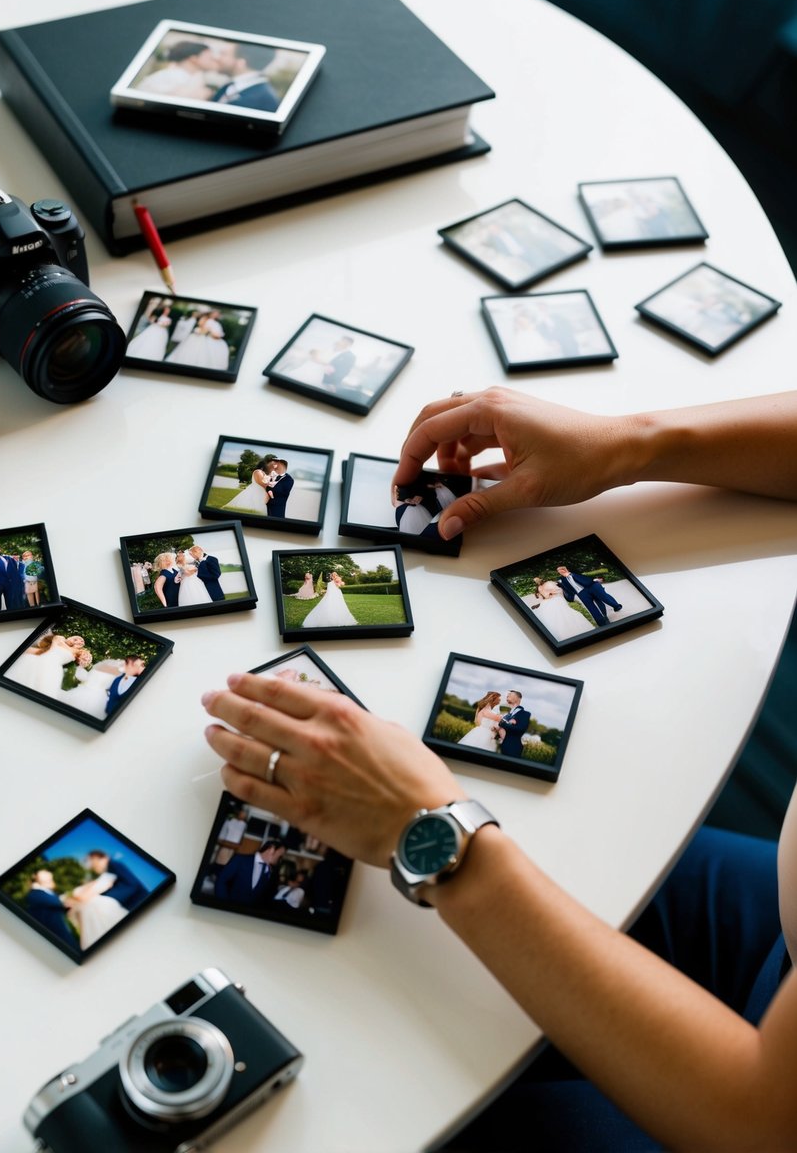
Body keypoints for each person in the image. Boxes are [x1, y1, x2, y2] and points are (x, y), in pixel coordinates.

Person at [203, 387, 797, 1151]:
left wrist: (431, 831)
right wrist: (629, 440)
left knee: (381, 1107)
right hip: (775, 929)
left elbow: (761, 1120)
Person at [63, 870, 128, 950]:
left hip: (98, 906)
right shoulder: (76, 890)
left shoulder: (98, 882)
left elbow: (83, 897)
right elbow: (77, 900)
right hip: (87, 910)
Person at [135, 40, 218, 100]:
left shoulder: (192, 77)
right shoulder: (168, 78)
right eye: (210, 58)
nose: (215, 60)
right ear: (194, 58)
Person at [214, 840, 287, 906]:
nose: (280, 860)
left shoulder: (270, 872)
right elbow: (221, 881)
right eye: (280, 856)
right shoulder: (240, 860)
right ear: (272, 849)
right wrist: (224, 904)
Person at [211, 42, 280, 112]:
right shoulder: (229, 86)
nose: (217, 58)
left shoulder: (265, 100)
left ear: (241, 62)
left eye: (224, 54)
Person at [24, 869, 78, 950]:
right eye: (49, 880)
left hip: (61, 930)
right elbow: (59, 904)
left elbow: (59, 907)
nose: (52, 881)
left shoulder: (47, 892)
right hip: (55, 933)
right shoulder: (35, 894)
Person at [531, 574, 595, 640]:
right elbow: (558, 589)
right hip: (559, 599)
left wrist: (550, 594)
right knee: (564, 614)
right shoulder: (550, 583)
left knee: (558, 615)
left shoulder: (541, 587)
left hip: (556, 600)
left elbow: (546, 596)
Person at [83, 850, 149, 911]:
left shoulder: (113, 865)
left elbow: (131, 884)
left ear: (104, 858)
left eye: (94, 863)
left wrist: (106, 898)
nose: (92, 867)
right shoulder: (109, 870)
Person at [497, 688, 532, 760]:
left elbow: (520, 729)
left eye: (510, 695)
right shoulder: (507, 714)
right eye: (507, 695)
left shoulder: (525, 714)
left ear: (518, 699)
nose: (507, 695)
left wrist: (503, 724)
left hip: (513, 749)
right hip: (502, 747)